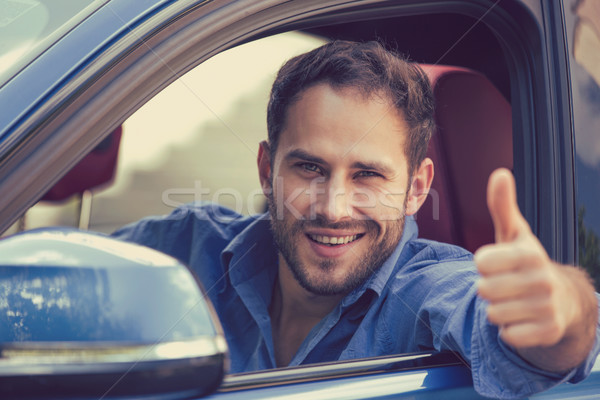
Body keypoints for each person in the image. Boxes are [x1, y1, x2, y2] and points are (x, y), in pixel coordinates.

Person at [112, 40, 600, 399]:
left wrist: (563, 310)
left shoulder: (428, 287)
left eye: (367, 175)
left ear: (416, 189)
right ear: (267, 170)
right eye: (309, 168)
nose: (333, 207)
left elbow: (532, 342)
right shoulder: (188, 243)